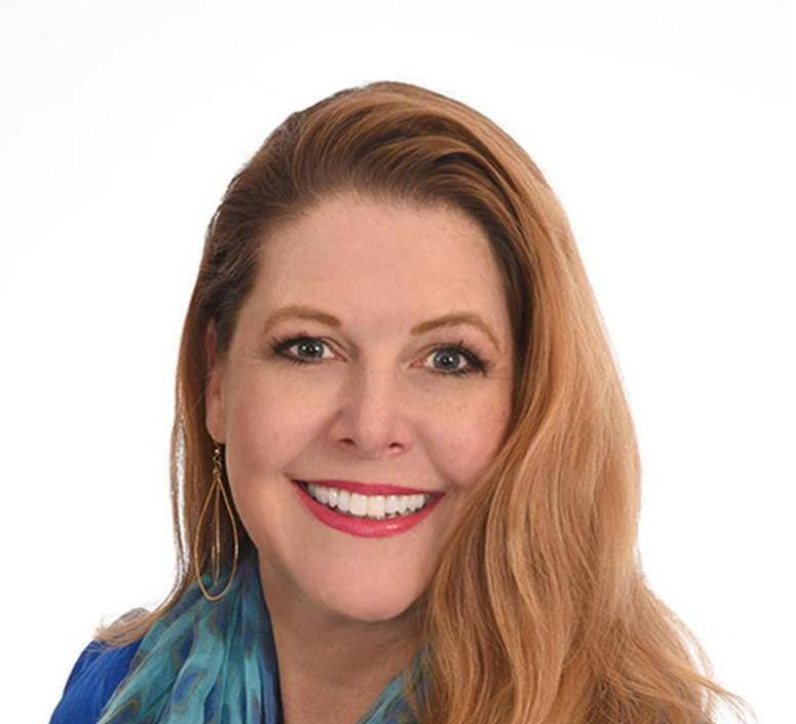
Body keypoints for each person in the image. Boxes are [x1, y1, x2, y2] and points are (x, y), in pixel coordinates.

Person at [49, 80, 750, 724]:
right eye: (308, 348)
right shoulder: (110, 693)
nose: (371, 424)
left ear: (535, 402)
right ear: (217, 381)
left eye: (448, 359)